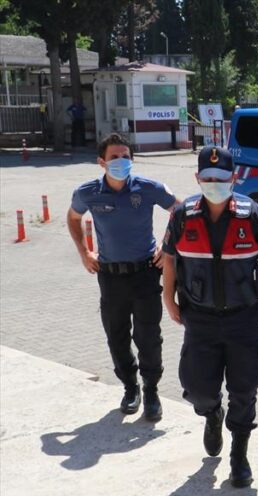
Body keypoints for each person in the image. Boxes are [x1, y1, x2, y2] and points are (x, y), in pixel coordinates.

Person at [161, 146, 258, 487]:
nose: (214, 183)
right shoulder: (183, 214)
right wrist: (167, 295)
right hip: (198, 318)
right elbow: (169, 257)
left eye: (221, 178)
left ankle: (239, 454)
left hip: (244, 318)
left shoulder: (254, 214)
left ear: (234, 178)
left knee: (245, 389)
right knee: (196, 387)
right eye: (208, 177)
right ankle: (212, 413)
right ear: (197, 178)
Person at [67, 132, 179, 421]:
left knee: (149, 337)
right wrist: (84, 252)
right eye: (114, 157)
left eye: (125, 157)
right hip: (110, 276)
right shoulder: (87, 192)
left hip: (145, 274)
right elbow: (73, 217)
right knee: (116, 336)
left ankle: (151, 390)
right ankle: (131, 387)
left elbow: (180, 210)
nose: (120, 161)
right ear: (101, 162)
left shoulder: (148, 188)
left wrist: (168, 248)